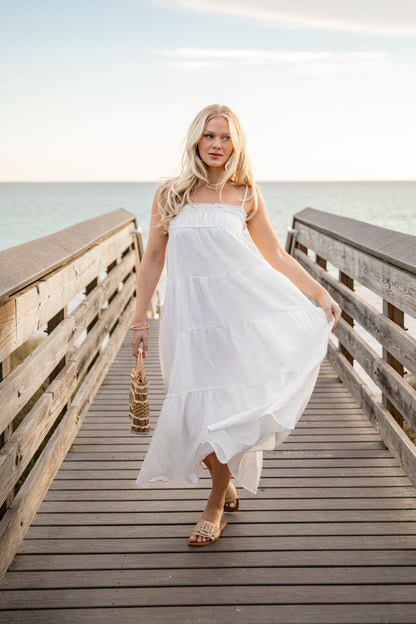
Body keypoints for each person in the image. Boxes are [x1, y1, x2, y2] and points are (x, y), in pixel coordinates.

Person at [131, 104, 341, 547]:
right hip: (188, 320)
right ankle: (223, 479)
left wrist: (320, 294)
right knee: (192, 409)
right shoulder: (170, 194)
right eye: (210, 136)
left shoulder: (245, 194)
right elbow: (153, 258)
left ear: (236, 144)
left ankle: (213, 503)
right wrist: (139, 320)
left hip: (235, 318)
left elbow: (275, 256)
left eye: (225, 138)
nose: (217, 145)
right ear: (196, 139)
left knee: (223, 409)